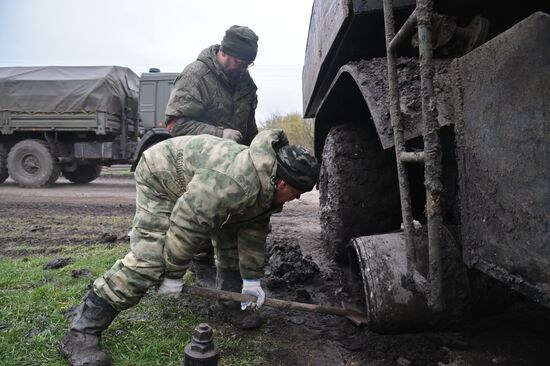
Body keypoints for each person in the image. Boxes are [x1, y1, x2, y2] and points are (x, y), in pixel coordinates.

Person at [59, 129, 319, 366]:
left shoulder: (266, 186)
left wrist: (251, 279)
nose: (295, 199)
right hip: (161, 177)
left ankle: (229, 303)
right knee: (149, 262)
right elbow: (186, 225)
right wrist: (173, 273)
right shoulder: (234, 183)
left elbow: (253, 232)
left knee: (232, 247)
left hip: (199, 187)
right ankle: (81, 333)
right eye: (297, 194)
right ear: (283, 184)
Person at [165, 25, 260, 146]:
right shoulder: (197, 76)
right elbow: (176, 124)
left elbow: (250, 131)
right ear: (224, 52)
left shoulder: (246, 84)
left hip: (237, 161)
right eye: (239, 63)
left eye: (248, 64)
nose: (243, 69)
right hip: (201, 161)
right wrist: (219, 135)